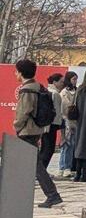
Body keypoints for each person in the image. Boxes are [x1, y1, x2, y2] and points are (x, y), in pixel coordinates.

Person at [12, 59, 62, 207]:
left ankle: (52, 194)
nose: (15, 73)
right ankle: (20, 192)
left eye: (16, 71)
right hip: (36, 128)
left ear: (20, 73)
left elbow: (24, 112)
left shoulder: (27, 89)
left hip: (27, 130)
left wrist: (16, 125)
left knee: (35, 165)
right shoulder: (38, 86)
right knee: (29, 163)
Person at [38, 74, 63, 178]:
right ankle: (41, 171)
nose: (62, 84)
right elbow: (57, 111)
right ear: (54, 82)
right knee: (48, 148)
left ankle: (41, 170)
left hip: (45, 123)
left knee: (45, 147)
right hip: (51, 124)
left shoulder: (45, 92)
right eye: (61, 81)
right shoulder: (55, 94)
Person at [57, 71, 78, 176]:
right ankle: (65, 167)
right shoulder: (64, 93)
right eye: (73, 79)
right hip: (66, 120)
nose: (75, 81)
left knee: (72, 144)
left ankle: (65, 166)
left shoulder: (77, 91)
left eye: (76, 79)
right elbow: (63, 109)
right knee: (67, 144)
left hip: (75, 120)